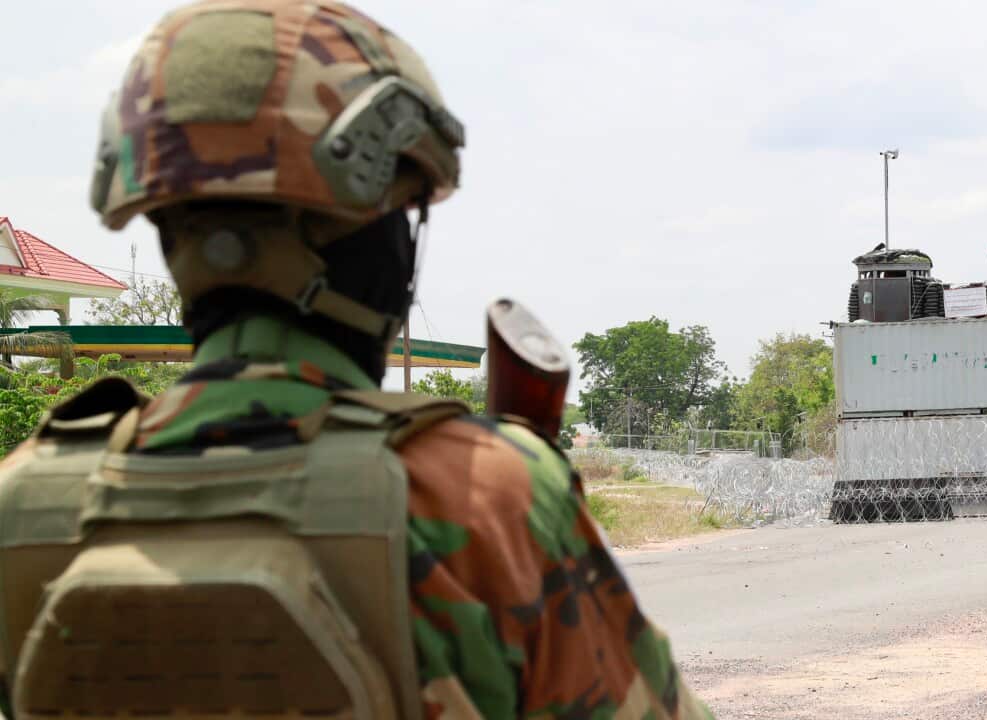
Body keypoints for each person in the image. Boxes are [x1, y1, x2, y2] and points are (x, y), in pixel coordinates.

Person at [0, 2, 712, 718]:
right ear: (372, 237)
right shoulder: (483, 494)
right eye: (403, 216)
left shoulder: (23, 503)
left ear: (169, 226)